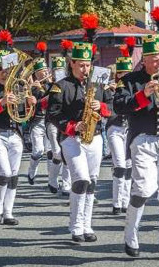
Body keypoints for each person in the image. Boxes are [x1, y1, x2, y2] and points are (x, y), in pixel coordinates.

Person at [114, 34, 159, 262]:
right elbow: (119, 106)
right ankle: (130, 233)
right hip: (142, 139)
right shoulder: (130, 80)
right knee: (144, 189)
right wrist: (143, 94)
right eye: (154, 59)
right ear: (144, 59)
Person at [47, 42, 112, 243]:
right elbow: (53, 114)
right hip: (71, 138)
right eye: (81, 65)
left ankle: (87, 225)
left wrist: (100, 106)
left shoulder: (98, 83)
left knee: (92, 181)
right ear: (71, 63)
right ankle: (75, 226)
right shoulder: (61, 86)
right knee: (81, 179)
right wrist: (73, 126)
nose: (85, 69)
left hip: (95, 136)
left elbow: (112, 107)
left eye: (88, 65)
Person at [0, 48, 37, 225]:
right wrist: (2, 102)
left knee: (13, 175)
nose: (4, 72)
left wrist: (31, 105)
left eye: (6, 68)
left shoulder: (19, 87)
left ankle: (8, 212)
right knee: (3, 172)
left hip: (15, 134)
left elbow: (25, 117)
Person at [107, 51, 132, 215]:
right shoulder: (110, 89)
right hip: (115, 128)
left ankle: (125, 201)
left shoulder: (133, 88)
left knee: (129, 167)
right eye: (122, 73)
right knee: (120, 165)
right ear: (117, 74)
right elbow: (108, 111)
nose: (125, 76)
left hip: (129, 128)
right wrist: (112, 93)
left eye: (127, 73)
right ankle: (116, 203)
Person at [46, 56, 71, 196]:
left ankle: (66, 184)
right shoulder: (48, 86)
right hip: (52, 122)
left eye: (60, 70)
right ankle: (53, 179)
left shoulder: (68, 84)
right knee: (56, 152)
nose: (58, 73)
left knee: (67, 152)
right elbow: (40, 104)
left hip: (66, 122)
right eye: (56, 70)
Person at [27, 56, 54, 188]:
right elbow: (29, 104)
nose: (43, 73)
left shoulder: (53, 85)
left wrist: (51, 83)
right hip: (37, 120)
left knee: (50, 151)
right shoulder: (31, 87)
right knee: (38, 150)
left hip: (49, 120)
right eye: (40, 71)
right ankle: (31, 172)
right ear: (35, 73)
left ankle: (51, 180)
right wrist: (32, 89)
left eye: (45, 70)